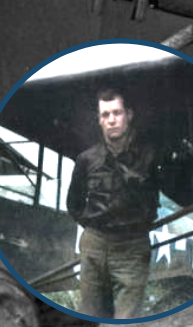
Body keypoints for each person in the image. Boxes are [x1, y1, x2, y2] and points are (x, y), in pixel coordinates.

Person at [67, 88, 163, 319]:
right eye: (105, 115)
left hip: (132, 246)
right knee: (89, 315)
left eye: (117, 113)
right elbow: (74, 204)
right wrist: (95, 225)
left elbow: (154, 198)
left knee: (126, 319)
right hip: (95, 244)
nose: (111, 120)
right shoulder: (86, 160)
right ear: (99, 120)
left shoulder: (151, 155)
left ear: (129, 114)